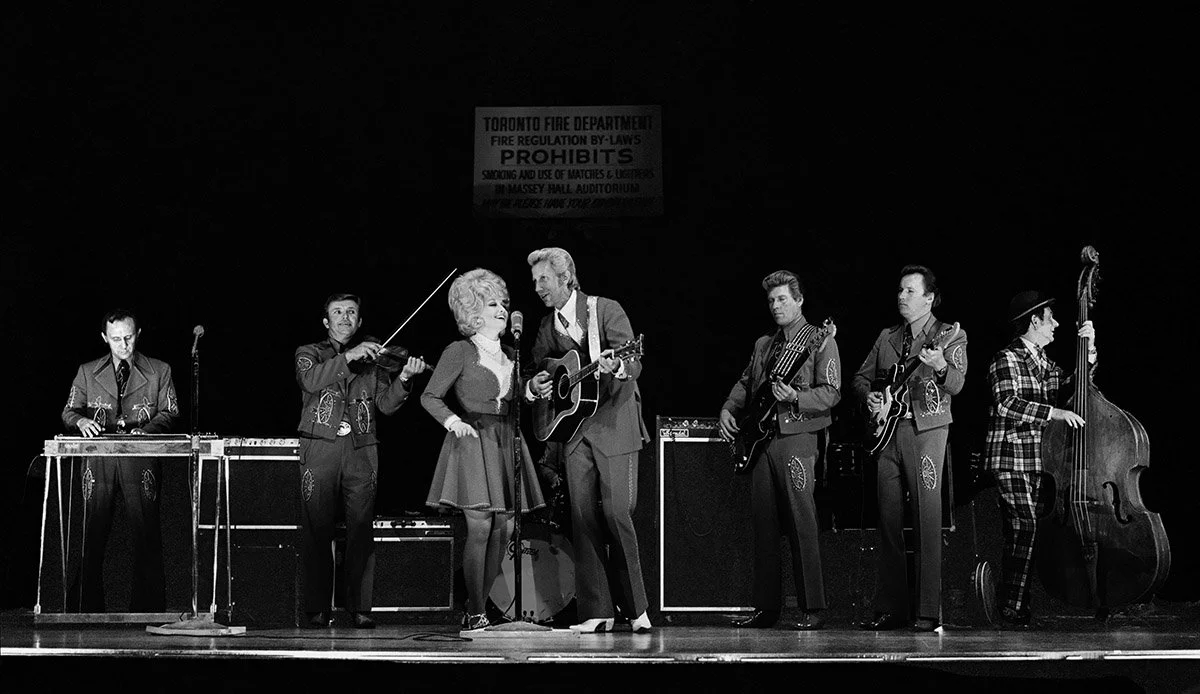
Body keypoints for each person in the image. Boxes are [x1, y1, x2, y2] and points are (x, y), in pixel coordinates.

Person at [526, 247, 652, 633]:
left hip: (614, 423)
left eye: (543, 280)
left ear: (566, 279)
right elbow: (537, 366)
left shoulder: (604, 310)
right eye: (534, 282)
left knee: (616, 514)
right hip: (574, 430)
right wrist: (537, 382)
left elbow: (634, 361)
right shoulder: (547, 326)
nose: (538, 288)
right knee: (582, 520)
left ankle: (637, 610)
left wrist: (621, 365)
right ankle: (596, 612)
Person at [421, 268, 547, 632]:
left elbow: (512, 398)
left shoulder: (512, 354)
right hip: (473, 441)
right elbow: (430, 396)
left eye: (503, 303)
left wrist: (530, 390)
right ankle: (474, 609)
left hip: (507, 440)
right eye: (492, 303)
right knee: (480, 527)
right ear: (473, 311)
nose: (502, 310)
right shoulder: (459, 351)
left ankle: (482, 608)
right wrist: (452, 421)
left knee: (505, 530)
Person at [294, 292, 427, 629]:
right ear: (326, 322)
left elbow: (384, 404)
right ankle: (316, 607)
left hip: (362, 450)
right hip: (320, 448)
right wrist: (349, 356)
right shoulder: (309, 353)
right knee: (317, 529)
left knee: (361, 529)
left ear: (359, 321)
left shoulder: (375, 358)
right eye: (337, 312)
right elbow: (310, 381)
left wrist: (405, 379)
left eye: (351, 312)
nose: (344, 318)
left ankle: (359, 607)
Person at [718, 271, 841, 630]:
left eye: (783, 299)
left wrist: (797, 397)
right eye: (771, 301)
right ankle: (766, 608)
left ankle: (813, 607)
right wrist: (729, 406)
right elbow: (746, 382)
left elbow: (831, 392)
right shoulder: (763, 345)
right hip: (762, 443)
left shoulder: (820, 340)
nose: (776, 306)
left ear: (799, 300)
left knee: (803, 521)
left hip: (798, 438)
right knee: (764, 525)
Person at [851, 264, 967, 632]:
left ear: (929, 298)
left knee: (927, 520)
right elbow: (859, 377)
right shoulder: (887, 337)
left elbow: (959, 383)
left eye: (910, 291)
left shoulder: (949, 335)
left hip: (926, 430)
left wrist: (941, 365)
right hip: (887, 434)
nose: (901, 297)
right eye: (900, 290)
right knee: (887, 521)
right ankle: (891, 608)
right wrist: (868, 397)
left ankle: (927, 611)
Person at [985, 290, 1096, 629]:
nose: (1057, 324)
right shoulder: (1007, 358)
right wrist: (1055, 413)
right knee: (1025, 527)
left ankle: (1017, 606)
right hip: (1010, 455)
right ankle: (1011, 607)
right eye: (1051, 318)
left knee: (1028, 531)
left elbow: (1071, 386)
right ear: (1034, 321)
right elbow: (1007, 403)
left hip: (1037, 460)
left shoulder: (1042, 360)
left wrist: (1088, 354)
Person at [61, 309, 179, 612]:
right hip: (98, 458)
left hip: (141, 458)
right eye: (116, 339)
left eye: (128, 337)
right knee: (93, 531)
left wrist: (147, 429)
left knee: (146, 531)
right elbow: (69, 411)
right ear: (105, 338)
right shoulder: (87, 371)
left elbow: (170, 412)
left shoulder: (159, 370)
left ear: (137, 334)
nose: (123, 345)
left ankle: (148, 607)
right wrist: (80, 423)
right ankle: (84, 608)